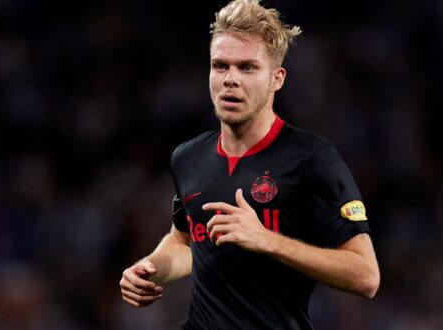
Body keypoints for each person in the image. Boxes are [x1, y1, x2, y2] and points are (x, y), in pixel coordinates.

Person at [120, 0, 380, 328]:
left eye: (247, 67)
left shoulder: (313, 160)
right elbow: (186, 241)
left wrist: (266, 240)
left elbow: (366, 277)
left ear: (277, 78)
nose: (230, 79)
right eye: (220, 66)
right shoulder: (187, 157)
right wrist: (152, 267)